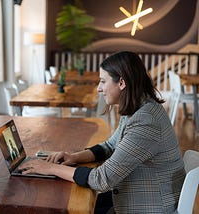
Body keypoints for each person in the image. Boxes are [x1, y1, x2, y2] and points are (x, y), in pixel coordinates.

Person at [19, 51, 186, 213]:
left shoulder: (146, 120)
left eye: (103, 81)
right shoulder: (139, 107)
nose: (99, 88)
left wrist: (51, 169)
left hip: (150, 207)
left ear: (121, 83)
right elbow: (110, 146)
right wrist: (73, 157)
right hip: (136, 196)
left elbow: (102, 179)